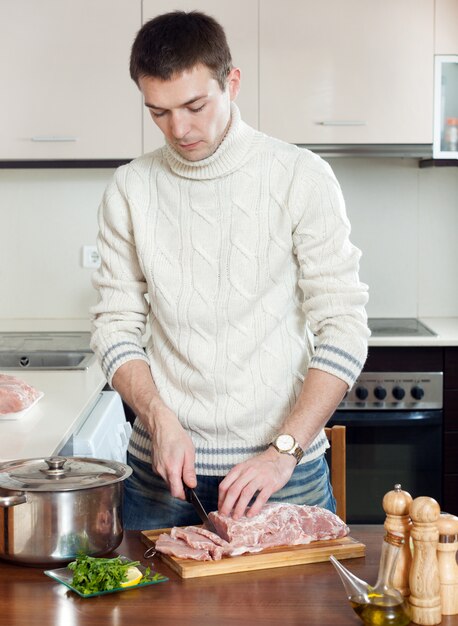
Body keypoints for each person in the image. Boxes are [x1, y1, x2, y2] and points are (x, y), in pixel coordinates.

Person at [90, 10, 370, 530]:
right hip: (162, 476)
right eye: (158, 112)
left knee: (297, 613)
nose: (179, 129)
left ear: (231, 82)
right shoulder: (130, 188)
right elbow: (114, 327)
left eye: (195, 105)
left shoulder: (300, 177)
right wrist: (158, 418)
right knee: (154, 614)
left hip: (284, 476)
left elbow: (345, 328)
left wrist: (284, 449)